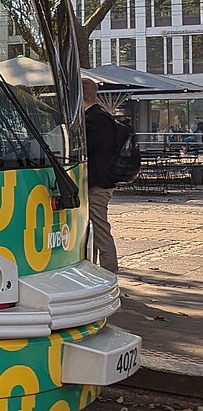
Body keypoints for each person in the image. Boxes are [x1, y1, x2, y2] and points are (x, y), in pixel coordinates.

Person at [82, 76, 119, 275]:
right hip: (101, 181)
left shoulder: (94, 120)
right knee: (94, 230)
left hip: (97, 184)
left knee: (99, 230)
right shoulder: (101, 117)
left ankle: (109, 273)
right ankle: (96, 271)